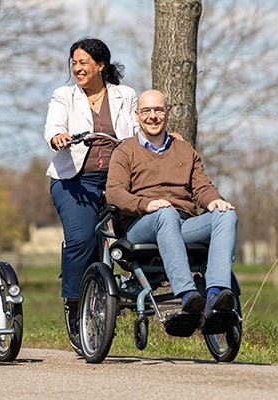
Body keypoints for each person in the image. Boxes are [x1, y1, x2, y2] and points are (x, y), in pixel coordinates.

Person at [106, 89, 239, 335]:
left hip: (181, 223)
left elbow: (202, 187)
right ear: (137, 115)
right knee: (165, 213)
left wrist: (214, 202)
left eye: (158, 110)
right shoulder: (125, 151)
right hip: (140, 226)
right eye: (147, 111)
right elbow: (114, 193)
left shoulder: (184, 150)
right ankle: (188, 294)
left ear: (167, 114)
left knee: (227, 214)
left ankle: (215, 296)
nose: (153, 116)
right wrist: (146, 204)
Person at [44, 37, 138, 348]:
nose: (77, 68)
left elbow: (139, 131)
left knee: (136, 236)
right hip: (75, 180)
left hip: (118, 179)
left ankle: (133, 291)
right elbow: (52, 126)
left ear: (101, 66)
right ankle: (74, 303)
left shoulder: (125, 95)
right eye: (73, 62)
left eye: (83, 62)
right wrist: (58, 136)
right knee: (81, 239)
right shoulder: (65, 96)